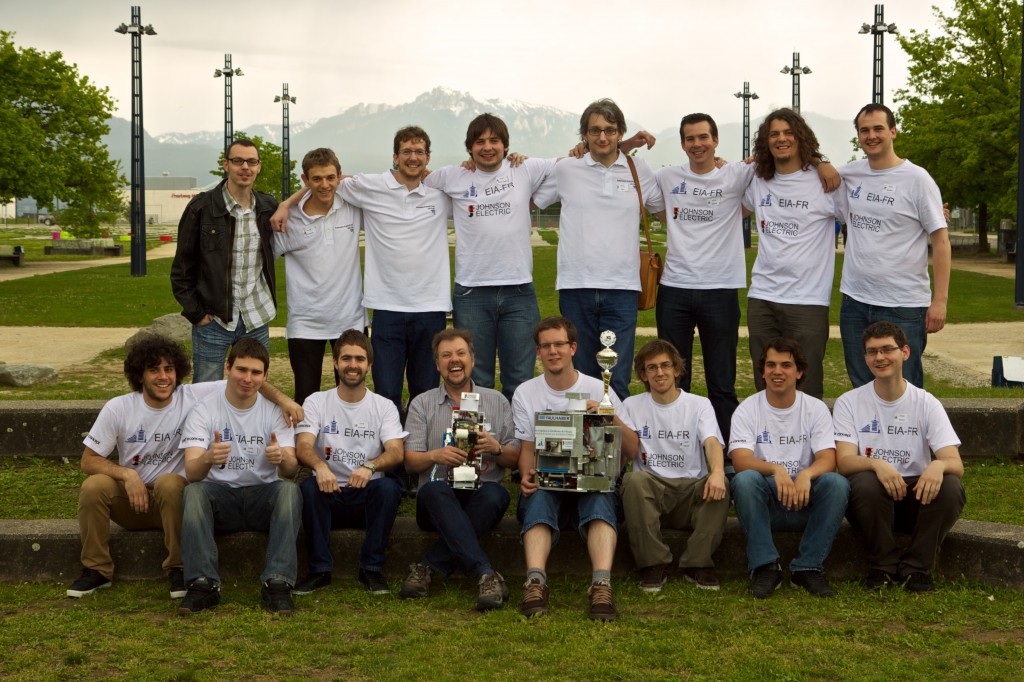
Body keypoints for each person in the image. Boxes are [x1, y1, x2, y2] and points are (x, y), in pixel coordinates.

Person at [67, 335, 301, 599]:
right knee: (93, 486)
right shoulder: (119, 408)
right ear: (139, 374)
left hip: (173, 499)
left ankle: (178, 568)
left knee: (171, 483)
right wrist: (126, 474)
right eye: (153, 370)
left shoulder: (192, 395)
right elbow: (88, 460)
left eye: (169, 369)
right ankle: (96, 569)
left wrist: (284, 401)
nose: (163, 377)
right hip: (133, 499)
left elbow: (249, 382)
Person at [533, 99, 663, 400]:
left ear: (620, 133)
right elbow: (527, 195)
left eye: (610, 130)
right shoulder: (567, 169)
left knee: (615, 377)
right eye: (595, 131)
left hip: (622, 288)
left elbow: (664, 206)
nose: (602, 137)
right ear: (584, 135)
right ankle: (584, 446)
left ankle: (612, 446)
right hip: (576, 286)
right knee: (579, 376)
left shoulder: (637, 168)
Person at [421, 114, 552, 402]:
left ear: (506, 146)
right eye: (479, 142)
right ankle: (475, 448)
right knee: (473, 381)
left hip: (518, 290)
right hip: (472, 292)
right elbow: (412, 174)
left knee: (519, 379)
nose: (487, 147)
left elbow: (573, 163)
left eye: (495, 140)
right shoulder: (452, 176)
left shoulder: (525, 168)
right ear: (469, 148)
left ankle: (515, 445)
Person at [513, 316, 632, 621]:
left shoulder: (598, 386)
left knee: (601, 496)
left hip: (590, 482)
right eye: (545, 346)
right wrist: (527, 475)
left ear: (573, 347)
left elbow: (631, 449)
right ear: (538, 352)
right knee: (537, 494)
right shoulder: (525, 392)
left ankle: (602, 584)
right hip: (549, 481)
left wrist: (609, 416)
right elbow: (527, 450)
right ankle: (535, 582)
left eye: (559, 344)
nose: (553, 351)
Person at [833, 321, 965, 592]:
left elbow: (956, 464)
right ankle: (883, 566)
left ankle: (916, 569)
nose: (879, 357)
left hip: (916, 498)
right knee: (864, 482)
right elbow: (844, 461)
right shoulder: (849, 402)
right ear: (866, 357)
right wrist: (876, 463)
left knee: (950, 486)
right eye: (872, 352)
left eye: (886, 349)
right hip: (873, 503)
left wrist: (938, 465)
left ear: (905, 352)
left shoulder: (926, 402)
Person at [648, 113, 754, 444]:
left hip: (720, 292)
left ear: (716, 140)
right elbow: (641, 191)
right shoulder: (667, 177)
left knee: (721, 382)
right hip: (675, 291)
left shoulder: (735, 175)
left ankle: (727, 452)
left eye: (704, 137)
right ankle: (678, 449)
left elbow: (779, 149)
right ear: (682, 144)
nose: (697, 144)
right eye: (690, 139)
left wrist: (821, 162)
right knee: (674, 378)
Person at [178, 339, 301, 615]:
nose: (248, 379)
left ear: (265, 376)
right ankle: (203, 582)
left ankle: (277, 582)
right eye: (241, 370)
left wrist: (282, 459)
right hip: (221, 497)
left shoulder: (274, 412)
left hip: (262, 496)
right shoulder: (204, 410)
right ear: (227, 368)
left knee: (289, 491)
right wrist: (208, 457)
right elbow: (192, 472)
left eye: (256, 373)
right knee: (193, 492)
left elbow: (291, 471)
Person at [401, 328, 520, 610]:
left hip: (482, 497)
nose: (454, 360)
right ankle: (485, 574)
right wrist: (435, 454)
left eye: (460, 353)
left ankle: (427, 568)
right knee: (434, 490)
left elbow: (515, 458)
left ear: (472, 360)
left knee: (496, 495)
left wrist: (497, 448)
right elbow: (410, 461)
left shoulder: (497, 401)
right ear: (437, 364)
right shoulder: (422, 403)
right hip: (437, 499)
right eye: (446, 355)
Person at [838, 103, 951, 389]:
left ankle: (911, 436)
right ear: (858, 136)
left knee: (905, 386)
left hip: (904, 304)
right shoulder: (850, 175)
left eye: (878, 128)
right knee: (862, 386)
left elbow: (940, 240)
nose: (871, 135)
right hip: (855, 300)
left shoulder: (917, 179)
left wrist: (940, 301)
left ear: (893, 132)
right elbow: (809, 179)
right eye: (864, 130)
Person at [729, 337, 850, 598]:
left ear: (799, 371)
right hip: (766, 502)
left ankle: (807, 567)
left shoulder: (815, 408)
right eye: (771, 365)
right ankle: (765, 567)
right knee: (745, 480)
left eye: (786, 365)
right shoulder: (748, 408)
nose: (777, 371)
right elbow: (740, 460)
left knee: (837, 484)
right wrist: (776, 469)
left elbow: (829, 459)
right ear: (762, 372)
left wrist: (806, 474)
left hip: (805, 500)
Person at [292, 329, 404, 596]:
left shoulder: (383, 406)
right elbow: (303, 445)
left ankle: (372, 570)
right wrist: (320, 467)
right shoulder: (317, 401)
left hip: (366, 496)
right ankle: (319, 570)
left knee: (389, 489)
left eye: (359, 359)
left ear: (369, 365)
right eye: (346, 358)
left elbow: (396, 452)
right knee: (308, 488)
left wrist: (370, 466)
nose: (352, 365)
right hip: (329, 494)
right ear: (335, 362)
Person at [743, 108, 846, 399]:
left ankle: (811, 444)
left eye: (788, 133)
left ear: (801, 137)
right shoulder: (758, 178)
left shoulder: (825, 181)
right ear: (766, 141)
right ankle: (768, 442)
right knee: (765, 378)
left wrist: (821, 161)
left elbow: (865, 219)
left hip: (808, 299)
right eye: (774, 134)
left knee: (807, 381)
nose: (781, 139)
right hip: (763, 297)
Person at [618, 339, 729, 592]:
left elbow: (712, 442)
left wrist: (718, 472)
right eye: (651, 368)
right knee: (633, 481)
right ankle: (653, 564)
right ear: (643, 375)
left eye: (666, 366)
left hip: (691, 490)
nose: (659, 373)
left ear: (677, 369)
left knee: (721, 482)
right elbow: (625, 451)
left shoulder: (698, 404)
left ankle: (698, 563)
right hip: (652, 490)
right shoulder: (631, 406)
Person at [171, 139, 278, 382]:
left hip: (256, 317)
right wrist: (197, 313)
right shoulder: (201, 208)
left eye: (251, 161)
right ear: (226, 165)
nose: (245, 167)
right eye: (238, 161)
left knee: (253, 389)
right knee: (206, 391)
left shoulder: (267, 207)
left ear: (259, 166)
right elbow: (181, 270)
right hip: (214, 320)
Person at [273, 147, 365, 407]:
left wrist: (285, 200)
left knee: (351, 397)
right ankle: (304, 448)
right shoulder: (288, 220)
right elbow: (265, 264)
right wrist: (285, 205)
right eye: (316, 179)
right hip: (305, 323)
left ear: (339, 176)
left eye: (330, 178)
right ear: (305, 180)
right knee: (306, 398)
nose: (324, 185)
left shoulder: (352, 207)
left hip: (350, 319)